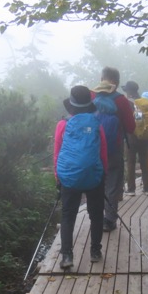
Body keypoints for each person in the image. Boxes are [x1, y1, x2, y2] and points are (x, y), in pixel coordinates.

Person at [53, 85, 108, 269]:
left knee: (68, 216)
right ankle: (95, 252)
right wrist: (103, 175)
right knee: (96, 214)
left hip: (69, 176)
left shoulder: (63, 125)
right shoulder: (97, 125)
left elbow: (58, 153)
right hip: (93, 175)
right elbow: (103, 153)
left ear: (72, 105)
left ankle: (67, 256)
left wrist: (57, 177)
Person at [93, 67, 135, 232]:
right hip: (113, 147)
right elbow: (131, 127)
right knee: (112, 183)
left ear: (102, 78)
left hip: (92, 148)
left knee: (95, 183)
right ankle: (109, 220)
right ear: (116, 83)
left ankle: (95, 216)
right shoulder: (121, 100)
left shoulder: (92, 96)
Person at [122, 80, 148, 195]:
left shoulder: (128, 102)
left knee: (130, 162)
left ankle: (131, 189)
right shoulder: (144, 102)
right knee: (144, 162)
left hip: (131, 136)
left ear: (128, 91)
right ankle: (147, 188)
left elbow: (128, 119)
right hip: (144, 136)